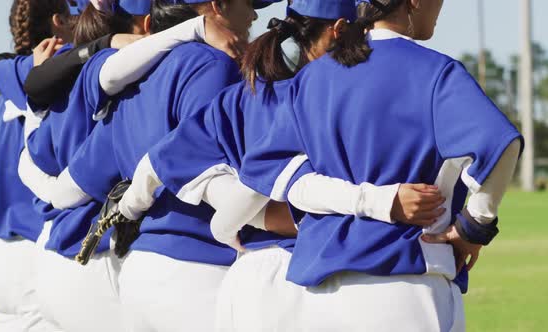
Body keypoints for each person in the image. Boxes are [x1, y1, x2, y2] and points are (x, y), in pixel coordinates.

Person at [207, 0, 524, 330]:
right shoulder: (436, 71)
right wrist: (474, 227)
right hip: (408, 282)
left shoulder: (313, 76)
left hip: (320, 294)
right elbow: (501, 144)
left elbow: (287, 180)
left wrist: (371, 200)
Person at [18, 1, 279, 330]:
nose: (254, 13)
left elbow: (68, 190)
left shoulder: (134, 83)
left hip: (139, 271)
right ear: (217, 6)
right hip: (201, 267)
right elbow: (211, 170)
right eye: (247, 2)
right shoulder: (216, 65)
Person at [0, 1, 75, 331]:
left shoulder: (9, 79)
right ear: (58, 21)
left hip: (0, 258)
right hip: (39, 251)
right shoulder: (65, 80)